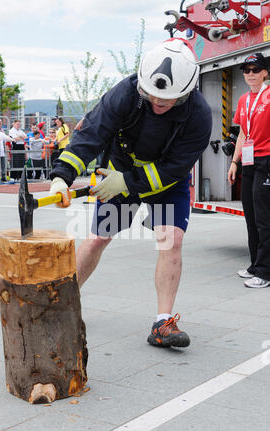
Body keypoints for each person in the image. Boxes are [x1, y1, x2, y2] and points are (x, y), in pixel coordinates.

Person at [49, 39, 212, 349]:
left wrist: (128, 183)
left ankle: (163, 322)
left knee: (171, 239)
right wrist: (61, 176)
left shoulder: (200, 115)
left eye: (169, 99)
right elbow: (90, 135)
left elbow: (174, 169)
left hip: (163, 181)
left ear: (187, 91)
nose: (158, 103)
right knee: (98, 238)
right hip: (117, 171)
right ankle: (64, 303)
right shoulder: (124, 92)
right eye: (151, 95)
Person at [228, 52, 270, 288]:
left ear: (265, 72)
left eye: (256, 70)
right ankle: (255, 264)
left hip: (267, 160)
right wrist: (234, 162)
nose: (250, 74)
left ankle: (265, 272)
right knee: (251, 215)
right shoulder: (244, 100)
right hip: (248, 161)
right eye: (247, 70)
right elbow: (244, 133)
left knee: (265, 218)